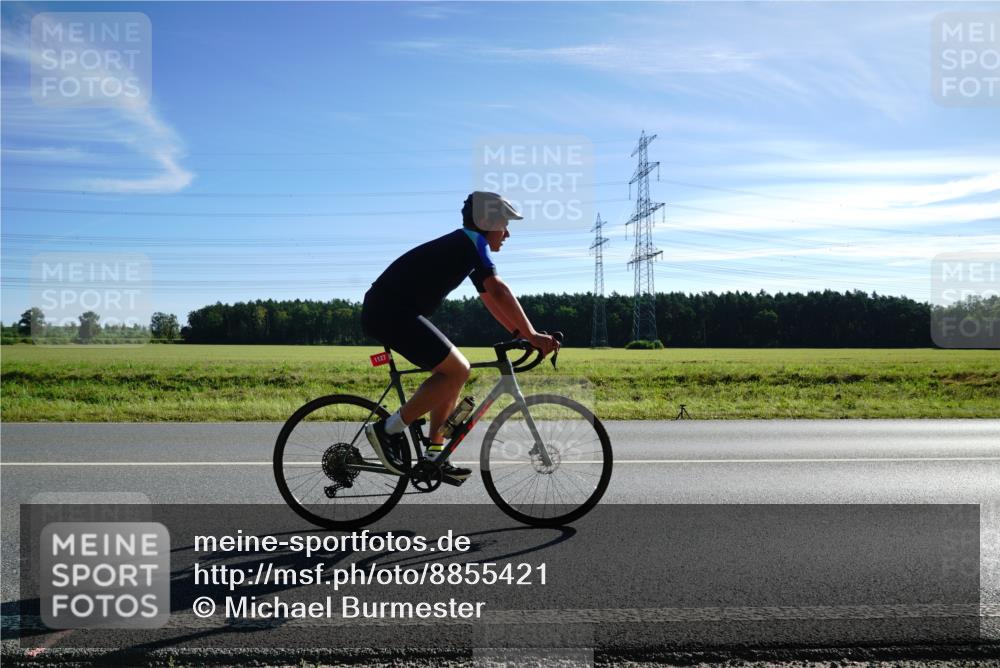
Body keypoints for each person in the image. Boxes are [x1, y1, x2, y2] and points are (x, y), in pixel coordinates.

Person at [361, 191, 559, 483]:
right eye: (504, 224)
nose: (507, 233)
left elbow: (489, 298)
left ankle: (434, 455)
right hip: (390, 312)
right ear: (487, 221)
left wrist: (519, 334)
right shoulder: (473, 242)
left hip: (390, 310)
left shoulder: (467, 245)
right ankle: (387, 429)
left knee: (453, 373)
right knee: (457, 369)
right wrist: (530, 334)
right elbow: (498, 290)